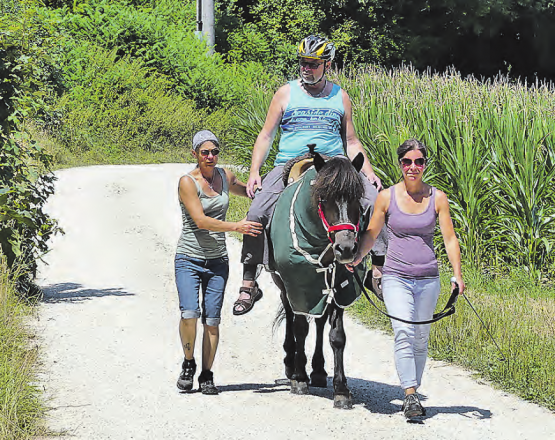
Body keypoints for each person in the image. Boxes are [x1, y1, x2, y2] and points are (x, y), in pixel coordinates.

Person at [233, 34, 387, 315]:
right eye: (304, 62)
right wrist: (255, 171)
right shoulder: (285, 93)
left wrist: (369, 173)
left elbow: (351, 141)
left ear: (326, 65)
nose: (307, 68)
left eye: (314, 64)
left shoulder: (340, 96)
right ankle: (249, 281)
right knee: (256, 213)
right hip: (291, 164)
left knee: (377, 202)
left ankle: (377, 271)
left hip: (335, 165)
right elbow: (266, 135)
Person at [347, 139, 465, 419]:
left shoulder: (438, 198)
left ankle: (414, 387)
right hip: (396, 276)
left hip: (428, 278)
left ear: (425, 165)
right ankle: (410, 394)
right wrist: (358, 258)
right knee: (403, 332)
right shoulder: (386, 197)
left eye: (419, 162)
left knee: (421, 338)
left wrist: (457, 274)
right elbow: (372, 234)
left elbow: (449, 238)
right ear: (400, 164)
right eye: (407, 162)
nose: (413, 167)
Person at [175, 130, 263, 394]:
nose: (210, 157)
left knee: (212, 321)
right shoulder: (187, 182)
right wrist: (237, 226)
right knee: (189, 314)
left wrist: (267, 190)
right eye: (205, 152)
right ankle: (188, 363)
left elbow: (248, 192)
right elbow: (201, 221)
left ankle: (207, 375)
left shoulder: (225, 177)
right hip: (189, 258)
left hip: (217, 262)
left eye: (214, 152)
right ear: (195, 154)